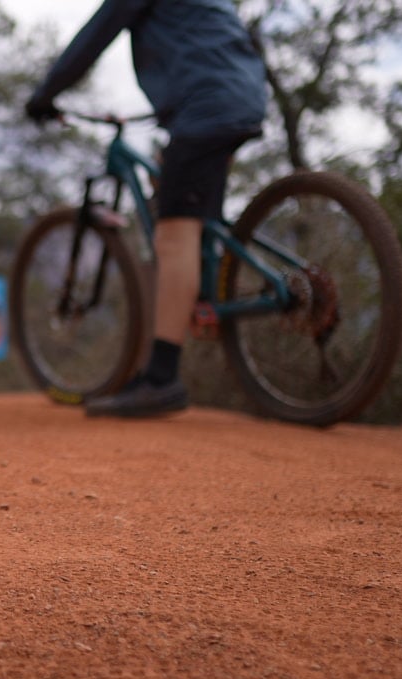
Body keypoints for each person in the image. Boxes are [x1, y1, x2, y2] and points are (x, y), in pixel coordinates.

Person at [25, 0, 268, 418]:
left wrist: (45, 95)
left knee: (174, 235)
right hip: (244, 95)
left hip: (204, 106)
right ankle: (204, 295)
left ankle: (160, 378)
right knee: (194, 211)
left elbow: (93, 37)